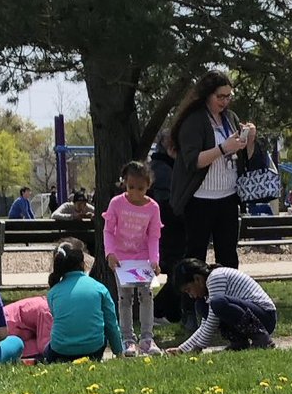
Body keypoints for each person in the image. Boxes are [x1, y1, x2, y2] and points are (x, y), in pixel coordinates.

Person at [170, 70, 255, 268]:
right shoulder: (194, 120)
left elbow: (243, 158)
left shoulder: (230, 118)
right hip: (200, 200)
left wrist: (249, 139)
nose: (225, 101)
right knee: (195, 258)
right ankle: (190, 299)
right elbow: (193, 161)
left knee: (228, 259)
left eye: (229, 96)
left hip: (228, 198)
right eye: (220, 96)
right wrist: (223, 148)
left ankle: (227, 298)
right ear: (207, 94)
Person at [103, 161, 163, 356]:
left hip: (143, 259)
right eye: (131, 187)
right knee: (124, 297)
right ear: (124, 184)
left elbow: (154, 235)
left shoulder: (153, 208)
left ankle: (147, 337)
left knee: (146, 295)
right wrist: (110, 253)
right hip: (122, 260)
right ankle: (127, 338)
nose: (136, 193)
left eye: (141, 188)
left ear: (148, 186)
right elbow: (108, 230)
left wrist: (154, 259)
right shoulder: (116, 203)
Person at [168, 259, 276, 353]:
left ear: (198, 279)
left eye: (188, 290)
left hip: (266, 317)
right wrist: (182, 349)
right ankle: (238, 342)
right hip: (254, 315)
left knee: (218, 303)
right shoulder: (207, 290)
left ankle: (261, 338)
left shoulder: (215, 277)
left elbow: (213, 319)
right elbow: (205, 325)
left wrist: (198, 347)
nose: (191, 295)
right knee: (202, 306)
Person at [45, 239, 123, 362]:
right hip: (93, 350)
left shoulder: (53, 293)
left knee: (46, 349)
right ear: (83, 263)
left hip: (61, 351)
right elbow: (111, 325)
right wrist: (119, 352)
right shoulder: (99, 288)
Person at [148, 132, 186, 323]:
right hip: (169, 229)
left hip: (171, 228)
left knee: (177, 270)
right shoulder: (162, 169)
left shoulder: (165, 166)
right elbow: (166, 202)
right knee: (178, 270)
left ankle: (170, 311)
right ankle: (158, 309)